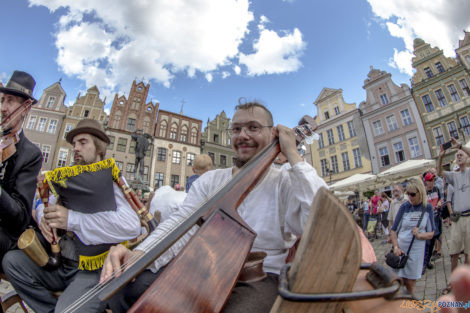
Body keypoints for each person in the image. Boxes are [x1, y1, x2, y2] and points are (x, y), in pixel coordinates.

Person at [101, 100, 328, 312]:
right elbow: (181, 223)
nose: (243, 135)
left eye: (253, 127)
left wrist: (293, 155)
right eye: (237, 129)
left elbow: (319, 220)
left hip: (258, 275)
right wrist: (142, 254)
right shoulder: (210, 180)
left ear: (272, 134)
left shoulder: (285, 181)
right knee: (127, 289)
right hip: (205, 267)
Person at [2, 119, 141, 312]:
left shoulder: (111, 178)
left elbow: (131, 225)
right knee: (12, 262)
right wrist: (45, 216)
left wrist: (72, 219)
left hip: (92, 270)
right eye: (74, 144)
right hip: (61, 262)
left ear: (99, 148)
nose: (75, 148)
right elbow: (45, 203)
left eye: (83, 143)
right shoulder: (67, 176)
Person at [0, 71, 42, 268]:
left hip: (6, 235)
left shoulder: (30, 154)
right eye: (1, 101)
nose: (3, 108)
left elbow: (20, 217)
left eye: (10, 101)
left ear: (25, 108)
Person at [390, 177, 435, 295]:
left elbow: (431, 233)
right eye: (408, 193)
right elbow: (393, 230)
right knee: (399, 283)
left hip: (415, 251)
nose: (410, 197)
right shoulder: (404, 207)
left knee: (410, 283)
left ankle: (411, 307)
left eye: (413, 194)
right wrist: (395, 247)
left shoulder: (427, 208)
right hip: (401, 251)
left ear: (420, 192)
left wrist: (420, 235)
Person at [437, 137, 470, 294]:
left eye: (461, 154)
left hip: (469, 218)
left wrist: (461, 146)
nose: (458, 155)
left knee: (469, 254)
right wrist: (441, 157)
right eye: (457, 154)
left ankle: (466, 283)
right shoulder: (454, 176)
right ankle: (452, 283)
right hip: (457, 219)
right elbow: (439, 172)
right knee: (454, 253)